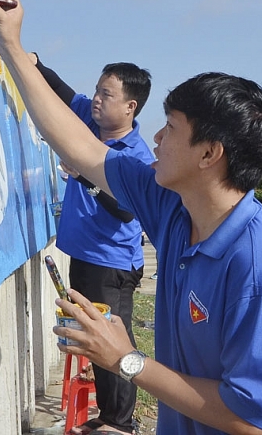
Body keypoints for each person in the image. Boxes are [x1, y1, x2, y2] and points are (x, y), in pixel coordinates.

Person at [0, 0, 262, 435]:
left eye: (170, 129)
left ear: (209, 153)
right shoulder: (173, 206)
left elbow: (253, 420)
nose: (156, 140)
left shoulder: (257, 263)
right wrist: (11, 45)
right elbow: (80, 146)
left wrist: (126, 359)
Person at [29, 53, 154, 435]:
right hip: (86, 257)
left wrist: (85, 176)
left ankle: (120, 422)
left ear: (130, 107)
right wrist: (33, 62)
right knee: (94, 340)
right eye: (98, 90)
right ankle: (110, 415)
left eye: (107, 94)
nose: (96, 99)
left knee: (111, 339)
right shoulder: (89, 122)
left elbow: (125, 211)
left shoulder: (136, 155)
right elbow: (62, 92)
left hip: (111, 264)